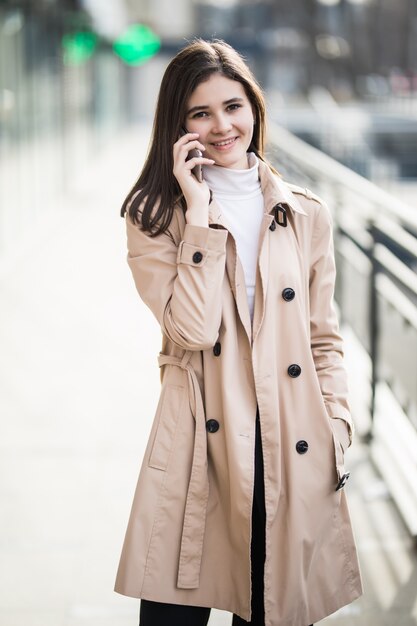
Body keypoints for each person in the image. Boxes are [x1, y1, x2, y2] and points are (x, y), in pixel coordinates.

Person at [114, 38, 362, 626]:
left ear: (255, 106)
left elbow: (322, 340)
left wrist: (338, 426)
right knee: (174, 611)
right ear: (178, 124)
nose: (222, 125)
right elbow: (192, 330)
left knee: (270, 610)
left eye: (233, 106)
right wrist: (198, 214)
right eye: (201, 112)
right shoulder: (156, 216)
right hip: (202, 446)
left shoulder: (304, 213)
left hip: (290, 442)